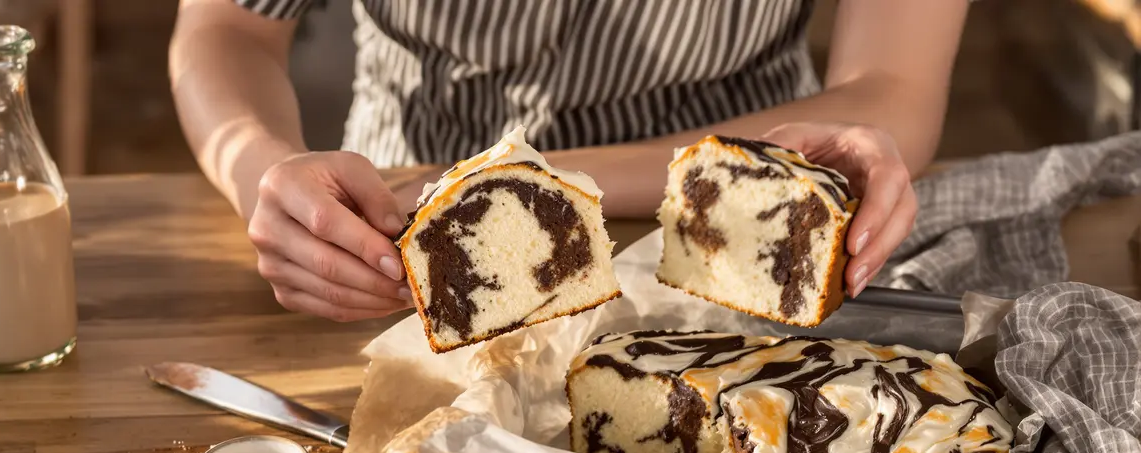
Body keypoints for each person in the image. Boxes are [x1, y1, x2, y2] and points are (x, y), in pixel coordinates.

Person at [170, 0, 968, 323]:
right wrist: (267, 174)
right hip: (397, 243)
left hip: (736, 229)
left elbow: (893, 90)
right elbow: (227, 32)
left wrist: (530, 184)